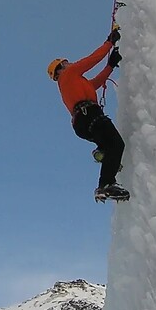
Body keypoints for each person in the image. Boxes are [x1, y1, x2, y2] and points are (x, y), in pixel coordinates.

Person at [47, 26, 130, 202]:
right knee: (116, 144)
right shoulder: (68, 74)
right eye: (66, 62)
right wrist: (110, 42)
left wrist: (110, 65)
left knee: (113, 147)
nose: (70, 63)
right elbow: (91, 60)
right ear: (61, 67)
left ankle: (104, 157)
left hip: (83, 122)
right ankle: (106, 183)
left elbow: (96, 83)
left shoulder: (73, 84)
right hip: (90, 115)